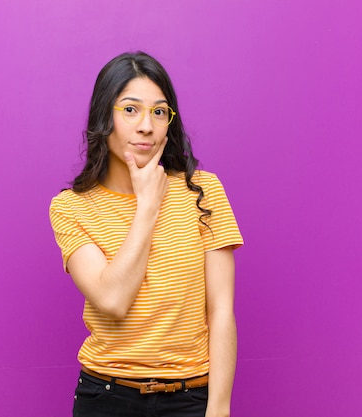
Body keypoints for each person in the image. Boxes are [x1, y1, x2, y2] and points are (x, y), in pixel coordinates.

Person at [49, 51, 243, 417]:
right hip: (107, 397)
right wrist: (148, 206)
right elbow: (113, 299)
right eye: (130, 109)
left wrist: (219, 408)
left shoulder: (203, 191)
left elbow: (221, 310)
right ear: (104, 116)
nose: (146, 126)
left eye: (159, 112)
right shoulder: (71, 207)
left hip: (192, 397)